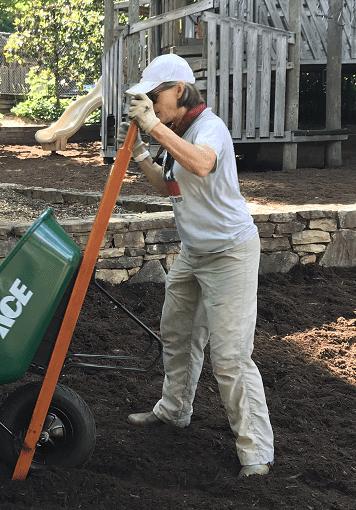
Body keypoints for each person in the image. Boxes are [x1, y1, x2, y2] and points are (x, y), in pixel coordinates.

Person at [121, 53, 274, 478]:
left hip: (230, 253)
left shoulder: (211, 129)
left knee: (230, 358)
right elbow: (170, 183)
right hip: (193, 253)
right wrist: (141, 155)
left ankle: (256, 453)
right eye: (145, 99)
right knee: (177, 334)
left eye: (155, 97)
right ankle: (173, 411)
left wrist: (151, 127)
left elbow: (202, 164)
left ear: (180, 92)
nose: (150, 105)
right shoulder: (176, 132)